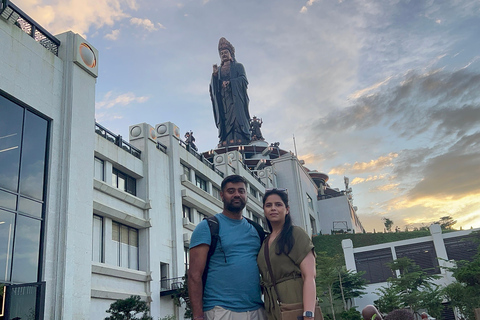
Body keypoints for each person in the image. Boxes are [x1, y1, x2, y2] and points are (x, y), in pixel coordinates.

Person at [188, 175, 266, 320]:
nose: (237, 194)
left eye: (241, 191)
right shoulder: (207, 227)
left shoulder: (256, 230)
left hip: (257, 310)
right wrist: (198, 315)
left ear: (246, 195)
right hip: (221, 310)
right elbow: (194, 275)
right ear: (222, 195)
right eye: (231, 191)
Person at [257, 189, 317, 320]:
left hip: (295, 303)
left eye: (278, 204)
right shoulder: (264, 242)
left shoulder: (296, 234)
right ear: (264, 210)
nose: (273, 208)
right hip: (272, 307)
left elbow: (309, 276)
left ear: (287, 209)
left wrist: (308, 314)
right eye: (268, 205)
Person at [210, 37, 251, 147]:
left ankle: (240, 137)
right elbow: (213, 89)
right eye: (221, 53)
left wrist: (231, 83)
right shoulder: (218, 70)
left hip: (236, 99)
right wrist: (214, 76)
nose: (223, 55)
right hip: (224, 101)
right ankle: (226, 138)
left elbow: (244, 81)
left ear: (231, 54)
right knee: (225, 120)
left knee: (237, 118)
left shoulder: (238, 66)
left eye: (225, 52)